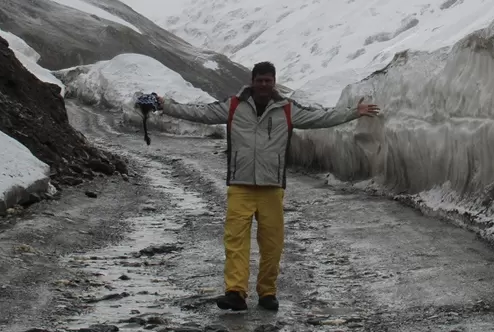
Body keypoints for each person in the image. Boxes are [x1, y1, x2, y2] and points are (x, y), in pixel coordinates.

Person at [160, 61, 381, 312]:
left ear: (273, 82)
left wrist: (354, 111)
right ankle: (235, 292)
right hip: (240, 185)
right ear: (252, 81)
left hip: (272, 187)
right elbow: (199, 112)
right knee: (235, 241)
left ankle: (267, 293)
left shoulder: (287, 109)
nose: (264, 84)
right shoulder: (233, 105)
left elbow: (321, 117)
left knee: (272, 244)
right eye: (260, 80)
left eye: (268, 80)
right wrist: (164, 105)